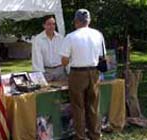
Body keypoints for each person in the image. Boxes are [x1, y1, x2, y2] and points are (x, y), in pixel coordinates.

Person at [60, 9, 106, 140]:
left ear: (76, 22)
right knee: (93, 106)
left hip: (77, 74)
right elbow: (102, 55)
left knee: (78, 107)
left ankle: (80, 137)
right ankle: (95, 135)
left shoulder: (70, 37)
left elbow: (64, 61)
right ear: (89, 21)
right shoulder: (98, 34)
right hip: (94, 73)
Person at [32, 15, 66, 81]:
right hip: (46, 71)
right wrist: (40, 75)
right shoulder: (38, 40)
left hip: (60, 71)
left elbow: (65, 55)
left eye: (53, 24)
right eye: (49, 24)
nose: (52, 26)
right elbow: (37, 59)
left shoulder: (61, 38)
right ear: (44, 25)